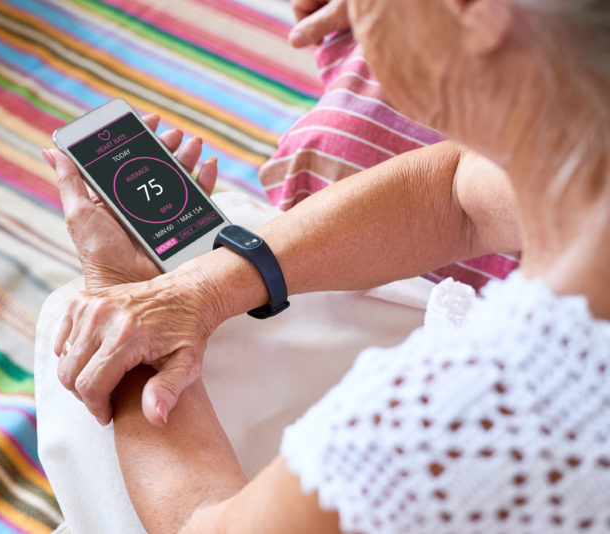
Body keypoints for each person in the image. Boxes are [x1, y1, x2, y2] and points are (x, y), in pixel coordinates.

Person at [40, 0, 610, 532]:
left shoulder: (450, 417)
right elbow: (457, 191)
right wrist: (201, 290)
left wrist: (121, 296)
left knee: (69, 326)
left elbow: (207, 523)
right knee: (232, 237)